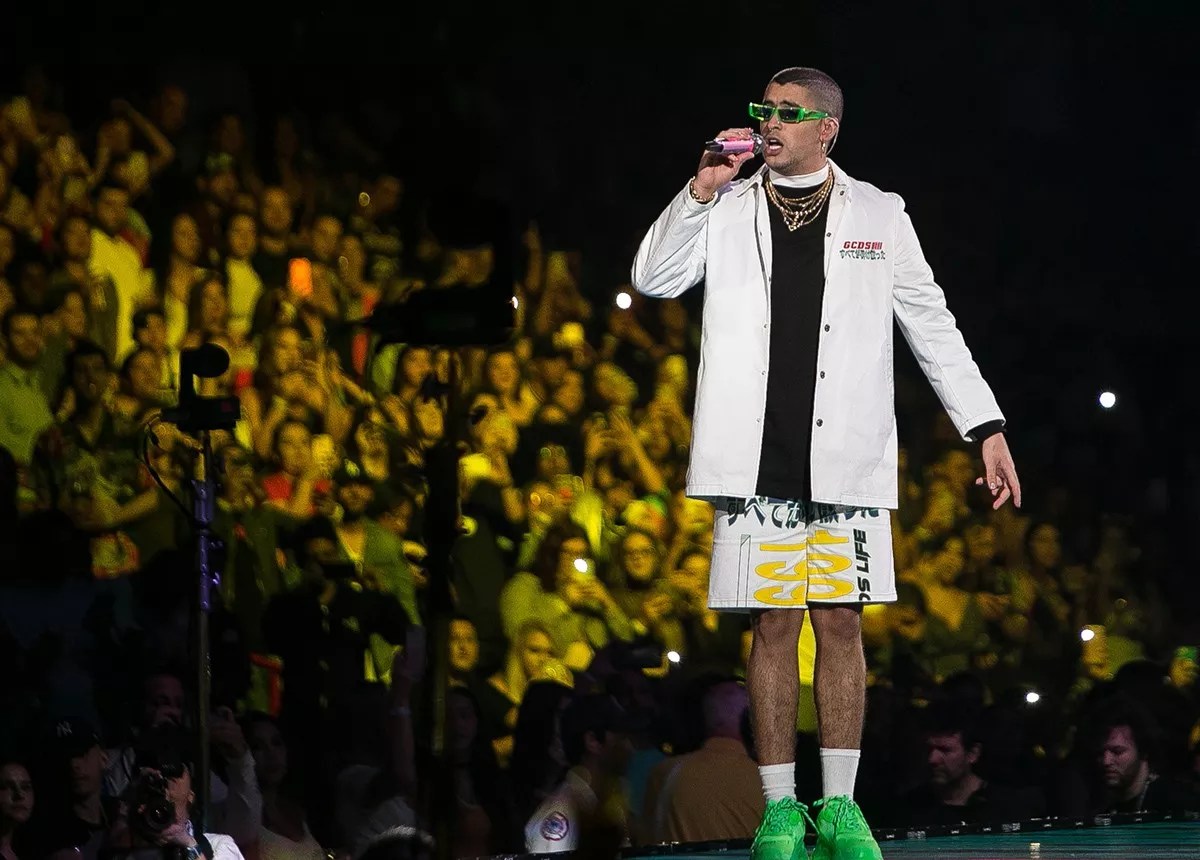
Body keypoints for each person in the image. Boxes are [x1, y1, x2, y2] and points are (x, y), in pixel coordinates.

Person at [631, 66, 1022, 860]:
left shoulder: (879, 213)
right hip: (755, 458)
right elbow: (653, 279)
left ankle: (839, 806)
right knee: (773, 626)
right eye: (763, 110)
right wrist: (700, 189)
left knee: (840, 622)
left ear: (826, 129)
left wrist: (984, 424)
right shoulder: (728, 206)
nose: (769, 124)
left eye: (787, 112)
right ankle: (781, 810)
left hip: (844, 456)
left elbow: (929, 319)